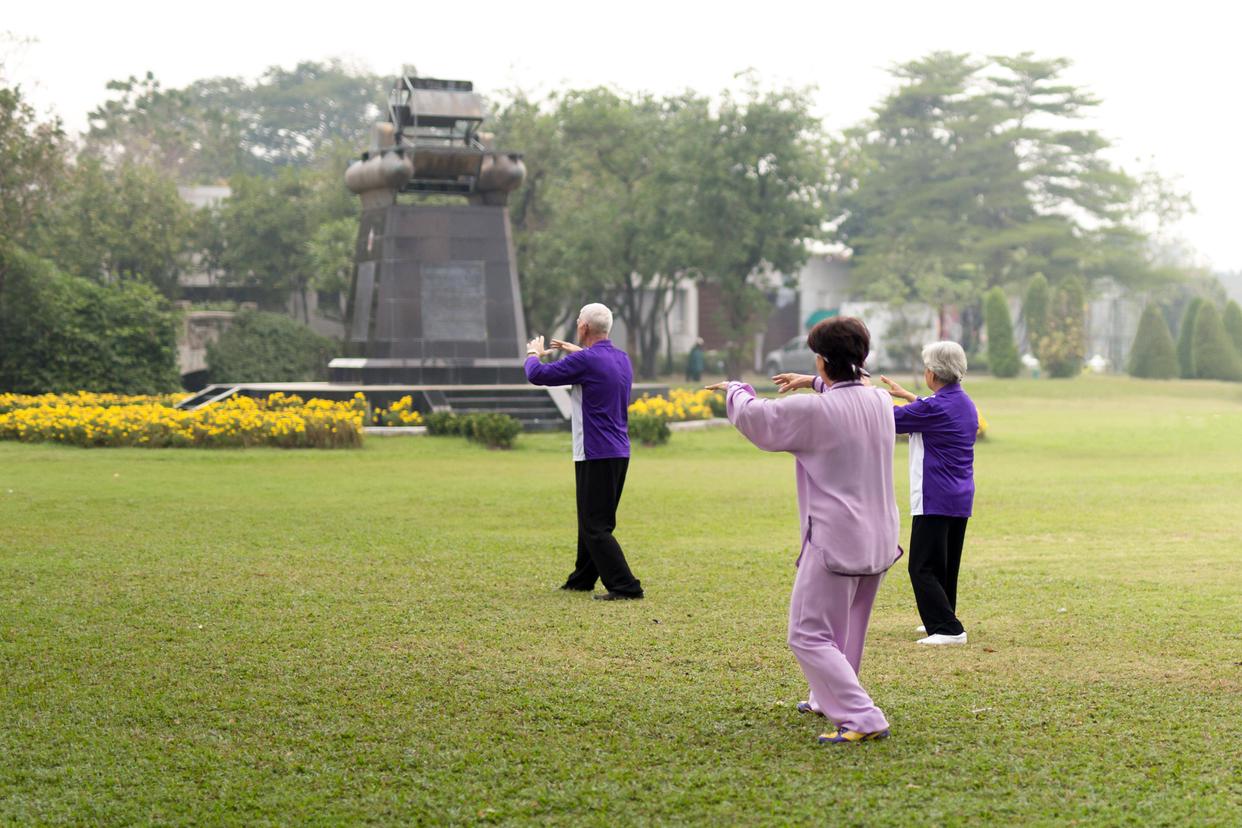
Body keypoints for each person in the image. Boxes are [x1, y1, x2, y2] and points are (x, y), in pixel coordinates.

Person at [709, 317, 900, 744]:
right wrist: (815, 382)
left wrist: (736, 389)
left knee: (808, 632)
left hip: (836, 539)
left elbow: (757, 419)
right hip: (880, 536)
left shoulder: (817, 410)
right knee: (846, 627)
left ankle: (862, 717)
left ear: (822, 360)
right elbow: (852, 394)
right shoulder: (881, 403)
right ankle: (825, 698)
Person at [525, 303, 644, 601]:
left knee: (596, 526)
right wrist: (579, 351)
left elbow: (537, 375)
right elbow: (597, 362)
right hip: (617, 451)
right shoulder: (621, 359)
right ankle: (582, 578)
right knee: (590, 520)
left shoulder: (588, 361)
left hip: (596, 452)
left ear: (583, 328)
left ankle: (626, 586)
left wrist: (533, 354)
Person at [878, 342, 978, 646]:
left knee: (920, 566)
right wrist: (909, 396)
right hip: (959, 496)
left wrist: (865, 397)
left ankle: (948, 628)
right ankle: (943, 614)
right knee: (945, 564)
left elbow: (888, 421)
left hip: (935, 496)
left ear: (933, 373)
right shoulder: (963, 402)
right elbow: (930, 410)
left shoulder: (932, 408)